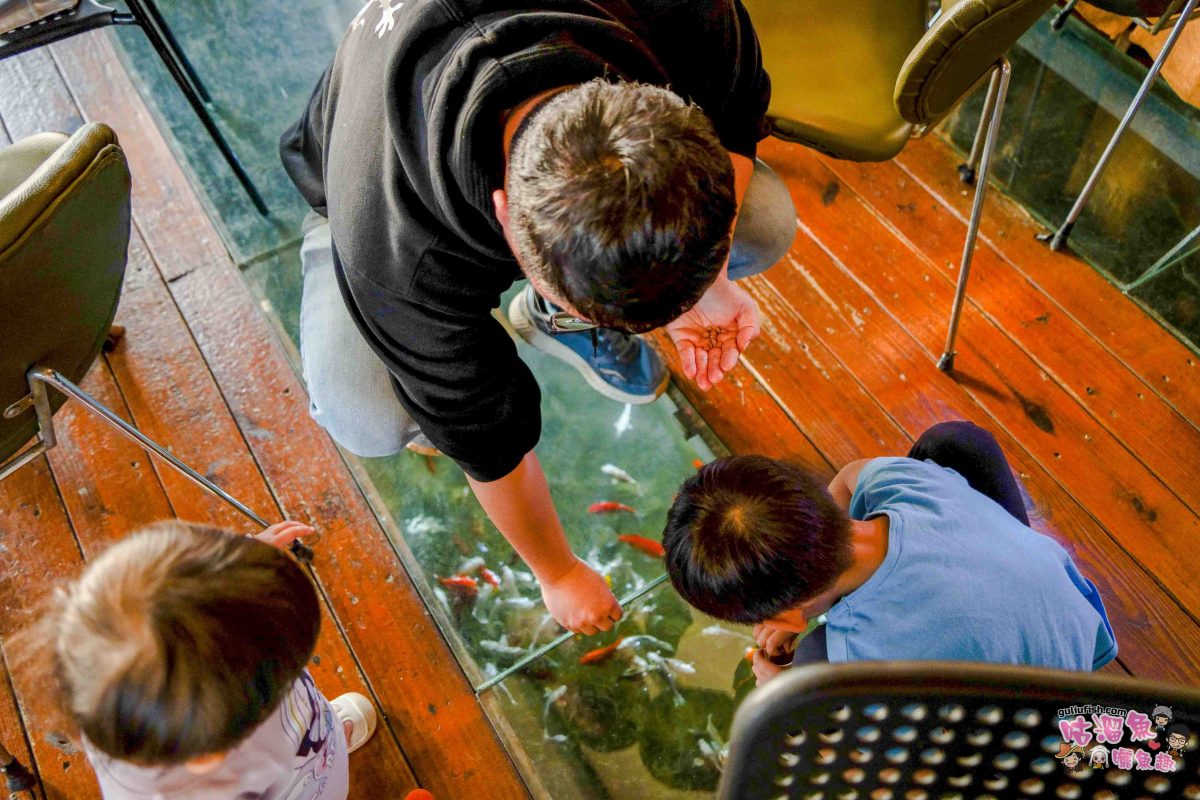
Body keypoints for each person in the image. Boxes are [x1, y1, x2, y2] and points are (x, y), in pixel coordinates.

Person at [279, 0, 795, 636]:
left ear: (672, 104)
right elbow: (488, 447)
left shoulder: (684, 12)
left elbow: (735, 116)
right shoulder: (398, 253)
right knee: (364, 412)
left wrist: (705, 280)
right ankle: (534, 322)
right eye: (596, 311)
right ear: (505, 221)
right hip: (362, 165)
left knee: (764, 226)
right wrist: (557, 573)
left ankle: (560, 316)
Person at [661, 421, 1118, 684]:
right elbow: (846, 477)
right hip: (1077, 626)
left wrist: (784, 687)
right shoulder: (900, 483)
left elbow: (868, 769)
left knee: (813, 668)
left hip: (1044, 731)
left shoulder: (846, 657)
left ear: (784, 613)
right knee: (950, 441)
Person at [31, 520, 376, 799]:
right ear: (208, 757)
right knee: (315, 778)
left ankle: (326, 736)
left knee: (310, 729)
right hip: (293, 783)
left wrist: (233, 571)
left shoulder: (112, 690)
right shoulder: (207, 788)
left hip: (277, 724)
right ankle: (326, 754)